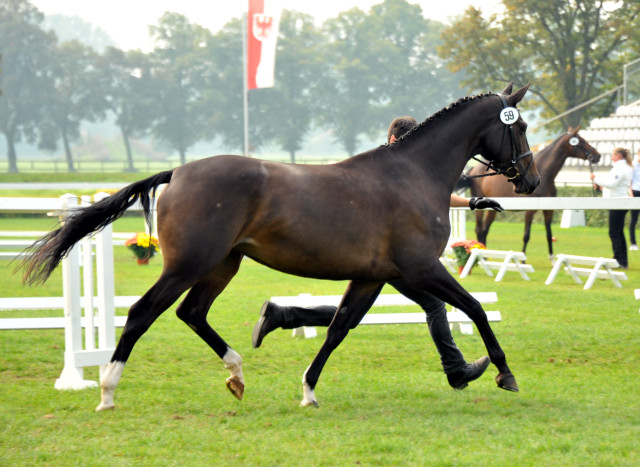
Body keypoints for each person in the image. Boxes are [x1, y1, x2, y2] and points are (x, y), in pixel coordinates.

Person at [252, 116, 505, 391]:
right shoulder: (387, 170)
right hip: (390, 254)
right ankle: (456, 370)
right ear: (396, 141)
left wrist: (470, 201)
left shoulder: (389, 167)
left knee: (351, 315)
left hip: (382, 251)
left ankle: (283, 315)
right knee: (431, 304)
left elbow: (427, 196)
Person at [590, 147, 634, 268]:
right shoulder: (622, 167)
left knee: (614, 232)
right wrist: (600, 186)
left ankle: (619, 260)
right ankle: (621, 260)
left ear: (618, 156)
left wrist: (596, 179)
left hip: (617, 203)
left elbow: (612, 184)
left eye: (612, 155)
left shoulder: (621, 168)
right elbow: (613, 185)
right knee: (618, 232)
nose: (611, 157)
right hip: (619, 202)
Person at [629, 149, 640, 250]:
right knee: (634, 219)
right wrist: (631, 195)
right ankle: (633, 243)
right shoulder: (633, 164)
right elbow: (630, 181)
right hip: (636, 192)